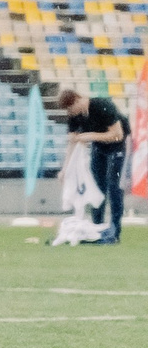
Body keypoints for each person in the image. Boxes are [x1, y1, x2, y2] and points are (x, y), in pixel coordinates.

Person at [59, 87, 127, 244]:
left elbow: (117, 135)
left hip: (117, 147)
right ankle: (97, 229)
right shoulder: (75, 116)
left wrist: (89, 136)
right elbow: (73, 141)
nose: (71, 113)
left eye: (71, 108)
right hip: (99, 148)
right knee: (96, 188)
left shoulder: (102, 106)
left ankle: (115, 231)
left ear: (77, 100)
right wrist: (65, 169)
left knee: (114, 188)